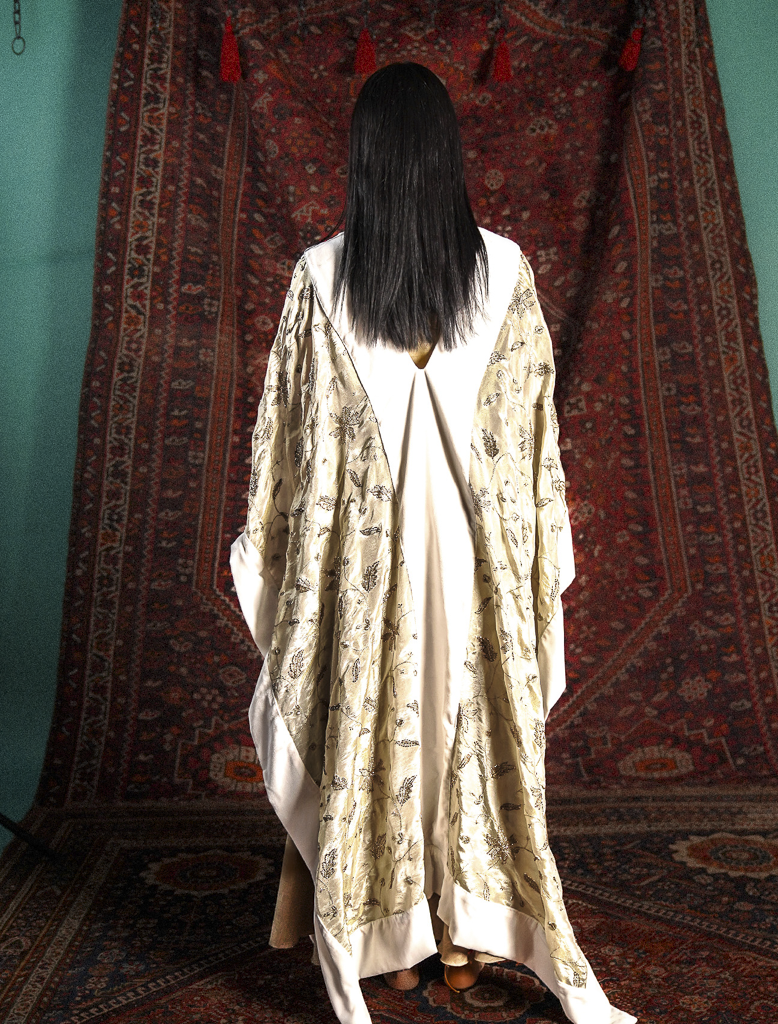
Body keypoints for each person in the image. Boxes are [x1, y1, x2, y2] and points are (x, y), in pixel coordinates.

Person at [231, 62, 636, 1024]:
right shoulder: (503, 271)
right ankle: (461, 944)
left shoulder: (321, 277)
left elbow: (290, 448)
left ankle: (393, 945)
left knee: (372, 722)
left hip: (365, 566)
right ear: (448, 159)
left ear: (363, 161)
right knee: (468, 723)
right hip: (472, 562)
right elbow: (530, 439)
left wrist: (287, 559)